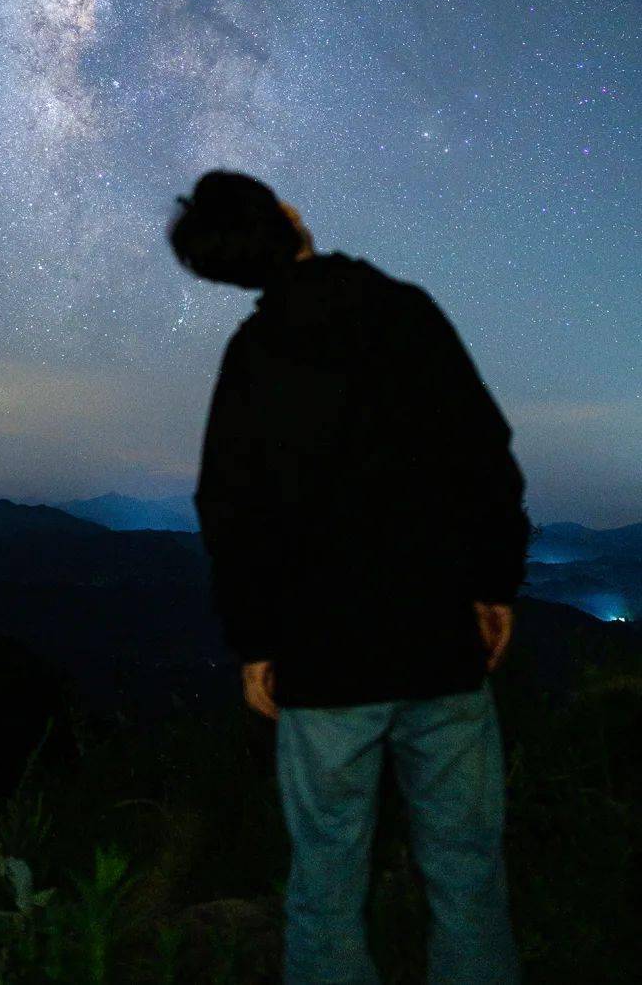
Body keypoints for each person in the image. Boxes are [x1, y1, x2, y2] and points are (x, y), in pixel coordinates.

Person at [167, 169, 532, 985]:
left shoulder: (253, 356)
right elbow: (483, 453)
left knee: (326, 892)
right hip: (442, 643)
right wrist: (494, 582)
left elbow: (229, 512)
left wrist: (254, 642)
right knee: (468, 883)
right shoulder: (405, 310)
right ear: (290, 218)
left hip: (322, 667)